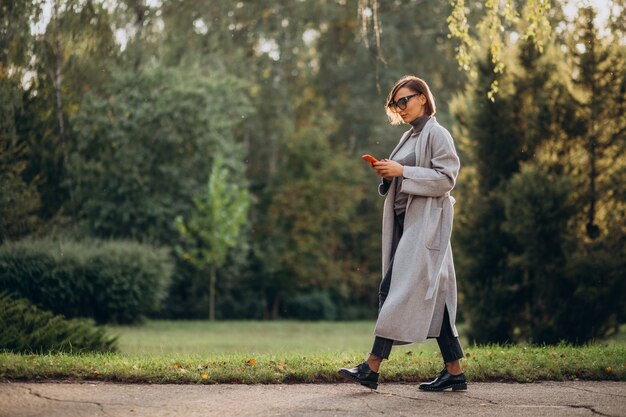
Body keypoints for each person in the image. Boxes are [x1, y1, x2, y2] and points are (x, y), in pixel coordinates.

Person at [338, 75, 466, 392]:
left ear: (423, 97)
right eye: (395, 104)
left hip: (427, 227)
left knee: (391, 289)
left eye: (404, 100)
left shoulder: (437, 133)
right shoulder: (410, 136)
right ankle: (455, 371)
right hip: (408, 225)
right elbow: (403, 174)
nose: (400, 107)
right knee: (437, 298)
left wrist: (402, 171)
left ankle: (372, 366)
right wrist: (387, 171)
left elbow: (446, 178)